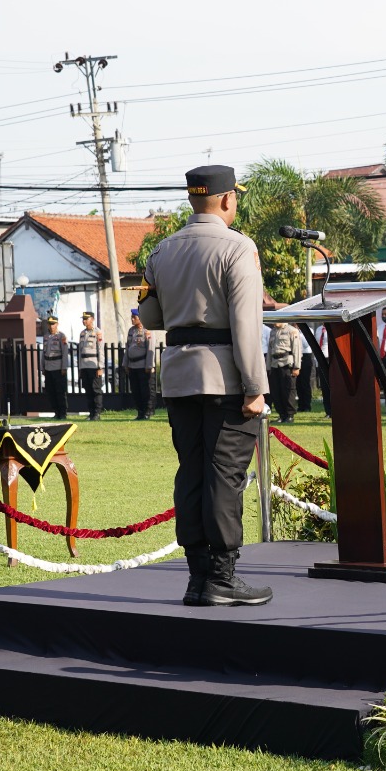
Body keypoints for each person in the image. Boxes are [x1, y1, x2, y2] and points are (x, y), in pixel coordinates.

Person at [138, 164, 272, 608]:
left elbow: (152, 318)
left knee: (192, 473)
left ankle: (198, 577)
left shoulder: (162, 251)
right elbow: (245, 325)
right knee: (224, 477)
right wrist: (255, 386)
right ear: (229, 199)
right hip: (225, 377)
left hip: (178, 376)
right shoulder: (238, 248)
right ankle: (222, 577)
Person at [265, 320, 302, 423]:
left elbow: (297, 349)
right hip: (274, 364)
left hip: (287, 363)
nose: (274, 323)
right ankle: (281, 414)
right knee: (276, 391)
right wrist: (268, 367)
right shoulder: (272, 331)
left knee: (288, 390)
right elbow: (270, 350)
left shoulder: (292, 330)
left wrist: (297, 367)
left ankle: (289, 415)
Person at [124, 309, 156, 420]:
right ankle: (140, 412)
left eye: (134, 317)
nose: (132, 319)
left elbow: (150, 349)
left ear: (140, 318)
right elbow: (127, 348)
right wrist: (125, 364)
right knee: (136, 390)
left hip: (143, 365)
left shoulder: (147, 331)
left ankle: (148, 411)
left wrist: (149, 366)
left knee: (145, 390)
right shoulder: (131, 331)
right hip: (132, 366)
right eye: (131, 317)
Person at [40, 315, 69, 419]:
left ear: (57, 324)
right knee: (51, 391)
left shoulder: (61, 336)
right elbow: (43, 353)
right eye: (50, 324)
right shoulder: (46, 336)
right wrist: (42, 367)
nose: (51, 326)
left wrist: (64, 367)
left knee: (60, 392)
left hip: (58, 367)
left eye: (53, 324)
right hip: (48, 367)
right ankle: (56, 412)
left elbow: (65, 353)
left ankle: (62, 413)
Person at [78, 311, 104, 420]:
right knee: (88, 390)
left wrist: (100, 367)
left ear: (92, 319)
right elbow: (80, 352)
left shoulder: (97, 333)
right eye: (83, 319)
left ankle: (97, 413)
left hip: (94, 365)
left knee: (96, 390)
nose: (84, 321)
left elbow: (100, 350)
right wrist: (80, 367)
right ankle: (91, 413)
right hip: (84, 365)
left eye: (86, 319)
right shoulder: (82, 333)